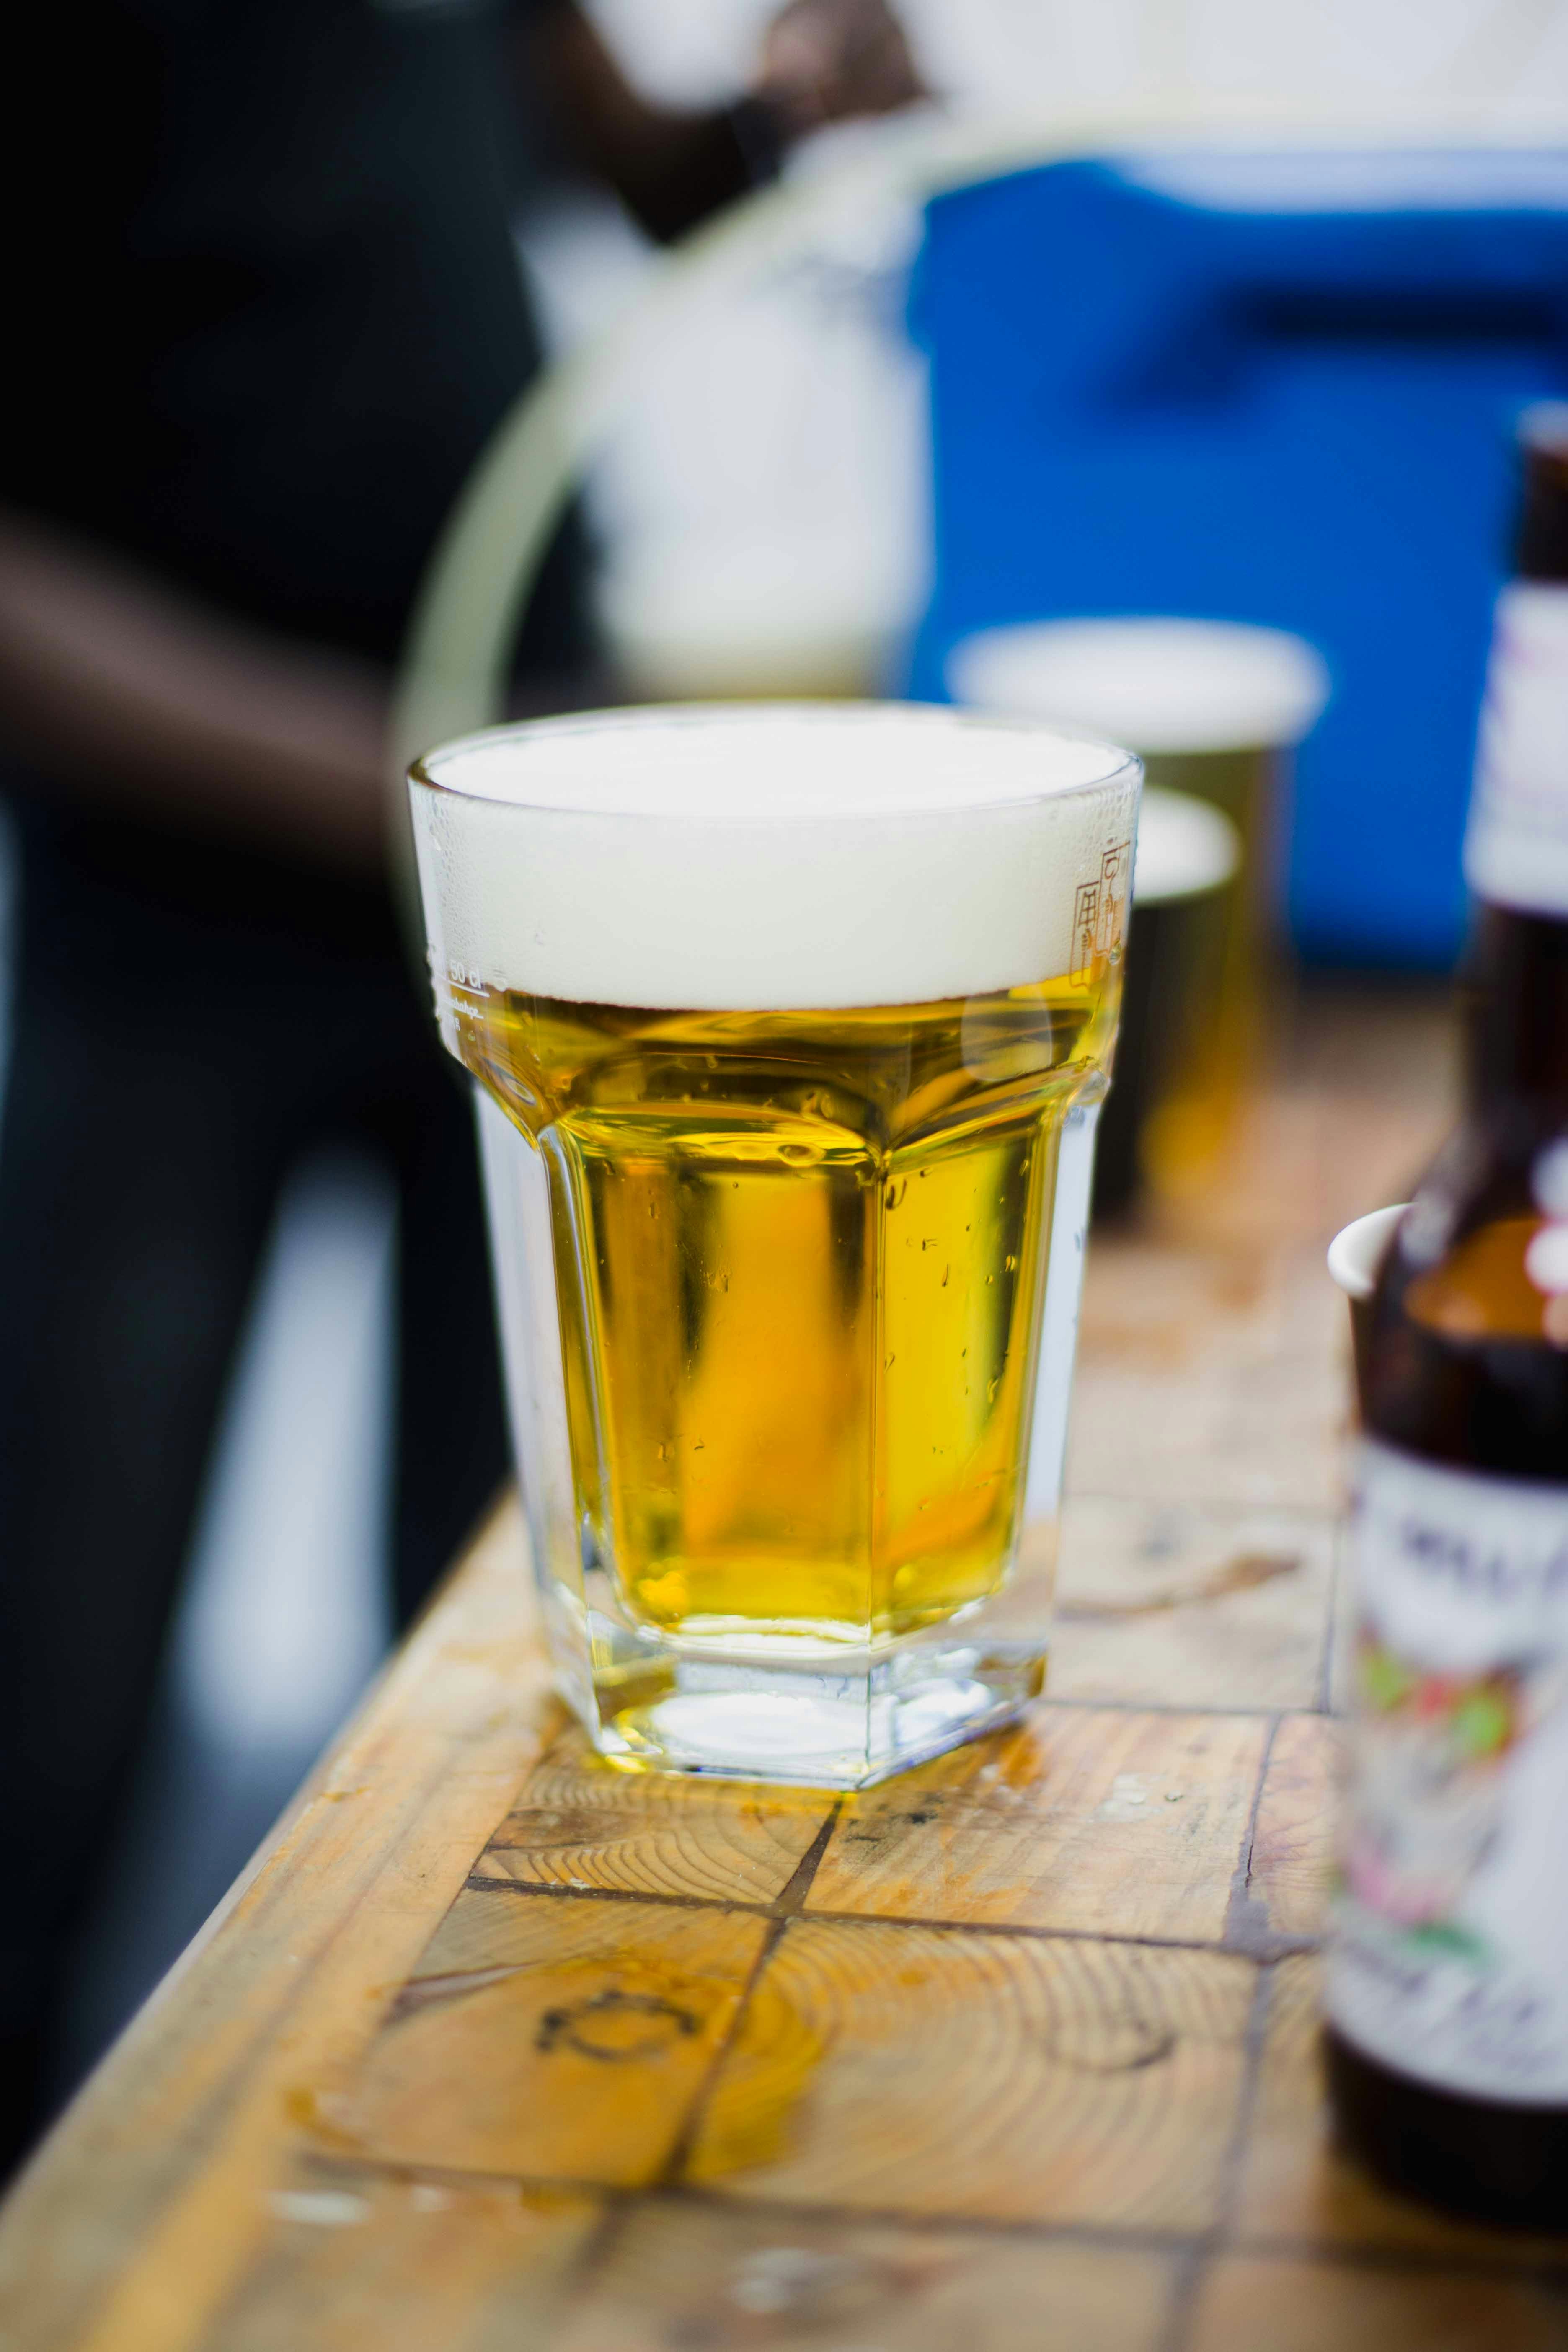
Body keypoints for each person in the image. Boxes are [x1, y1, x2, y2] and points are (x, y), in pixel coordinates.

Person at [0, 0, 922, 2178]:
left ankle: (525, 2185)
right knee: (48, 1695)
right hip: (177, 928)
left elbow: (620, 155)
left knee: (534, 1620)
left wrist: (779, 112)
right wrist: (408, 796)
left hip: (523, 887)